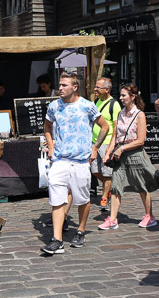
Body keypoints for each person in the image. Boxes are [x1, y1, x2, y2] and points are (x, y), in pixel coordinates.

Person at [41, 72, 110, 254]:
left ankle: (80, 229)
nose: (60, 88)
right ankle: (57, 240)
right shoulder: (54, 106)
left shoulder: (87, 106)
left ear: (75, 87)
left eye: (64, 85)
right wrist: (50, 145)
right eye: (60, 85)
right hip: (60, 160)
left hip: (80, 160)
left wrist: (95, 147)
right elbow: (47, 126)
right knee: (57, 199)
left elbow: (105, 126)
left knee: (82, 199)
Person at [101, 84, 159, 230]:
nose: (120, 98)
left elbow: (141, 140)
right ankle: (113, 219)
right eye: (120, 95)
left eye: (124, 95)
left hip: (135, 154)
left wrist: (122, 148)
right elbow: (115, 135)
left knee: (141, 185)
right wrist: (109, 151)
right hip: (120, 156)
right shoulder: (120, 113)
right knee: (116, 186)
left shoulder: (139, 115)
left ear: (132, 97)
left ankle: (149, 216)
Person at [89, 78, 121, 215]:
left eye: (98, 87)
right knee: (94, 170)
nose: (95, 89)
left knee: (107, 172)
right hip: (94, 142)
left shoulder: (114, 105)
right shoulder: (96, 102)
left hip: (107, 142)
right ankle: (109, 187)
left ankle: (104, 198)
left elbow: (115, 126)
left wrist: (111, 146)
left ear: (106, 89)